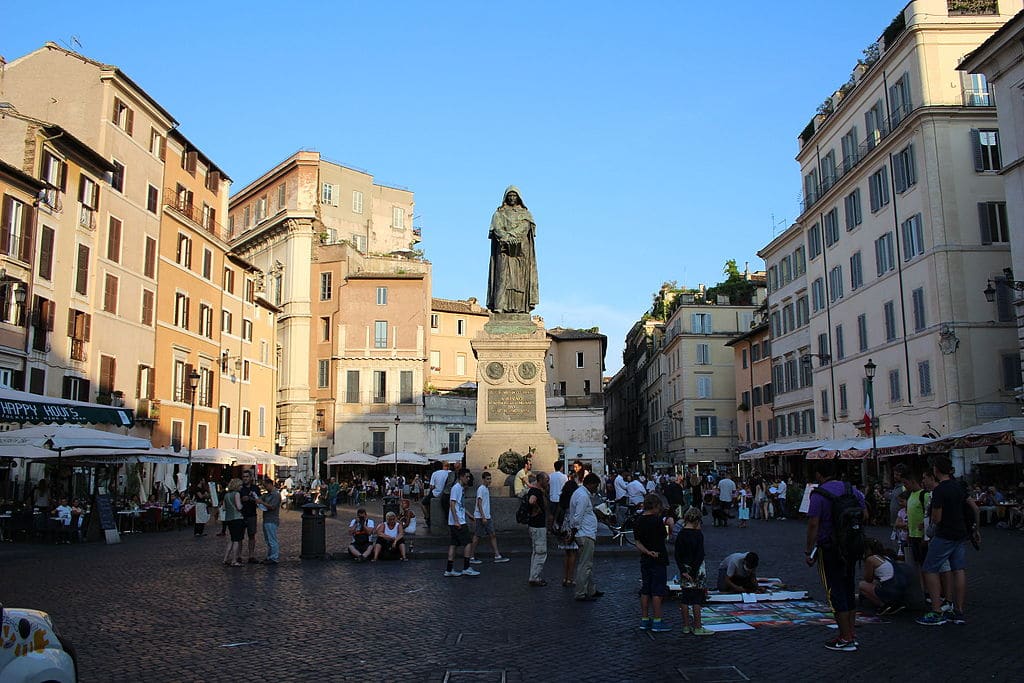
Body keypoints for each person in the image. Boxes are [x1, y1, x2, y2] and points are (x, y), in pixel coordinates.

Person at [805, 460, 867, 652]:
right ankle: (851, 634)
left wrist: (809, 550)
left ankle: (845, 637)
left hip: (830, 548)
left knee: (835, 591)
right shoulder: (851, 490)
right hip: (851, 547)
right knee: (848, 587)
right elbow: (865, 515)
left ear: (818, 475)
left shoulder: (819, 495)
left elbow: (813, 524)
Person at [917, 455, 979, 626]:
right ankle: (958, 609)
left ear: (936, 470)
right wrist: (976, 528)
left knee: (929, 568)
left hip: (944, 534)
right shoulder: (958, 486)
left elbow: (937, 518)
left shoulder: (940, 490)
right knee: (958, 569)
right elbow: (974, 507)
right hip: (960, 533)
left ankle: (936, 610)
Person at [487, 185, 539, 314]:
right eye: (509, 195)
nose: (511, 198)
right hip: (503, 249)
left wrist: (513, 235)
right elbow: (496, 229)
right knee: (501, 276)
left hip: (521, 251)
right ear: (505, 197)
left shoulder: (526, 214)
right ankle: (500, 306)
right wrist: (506, 237)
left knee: (519, 279)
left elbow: (526, 226)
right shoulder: (498, 214)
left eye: (514, 195)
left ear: (518, 198)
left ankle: (520, 307)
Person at [634, 494, 671, 632]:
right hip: (658, 556)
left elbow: (637, 541)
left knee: (645, 589)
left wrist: (647, 552)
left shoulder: (638, 520)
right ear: (656, 506)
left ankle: (644, 619)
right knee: (657, 590)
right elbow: (664, 535)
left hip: (645, 557)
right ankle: (657, 620)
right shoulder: (656, 521)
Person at [675, 506, 713, 636]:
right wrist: (693, 572)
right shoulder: (698, 535)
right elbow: (699, 555)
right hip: (697, 570)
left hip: (684, 568)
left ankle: (686, 626)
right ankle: (697, 626)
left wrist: (683, 570)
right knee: (697, 599)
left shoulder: (681, 534)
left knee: (685, 598)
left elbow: (677, 554)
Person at [570, 473, 603, 600]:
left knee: (587, 563)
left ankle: (591, 589)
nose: (596, 489)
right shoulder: (583, 496)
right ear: (591, 484)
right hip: (585, 533)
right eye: (596, 486)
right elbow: (578, 516)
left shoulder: (579, 493)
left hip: (584, 532)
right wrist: (574, 532)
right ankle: (580, 593)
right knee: (585, 564)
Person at [859, 538, 910, 614]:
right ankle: (895, 602)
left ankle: (884, 605)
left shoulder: (870, 559)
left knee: (862, 585)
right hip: (901, 588)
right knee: (878, 583)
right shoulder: (886, 557)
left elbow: (868, 579)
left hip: (890, 590)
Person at [445, 468, 479, 577]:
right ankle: (466, 567)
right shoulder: (456, 488)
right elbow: (452, 504)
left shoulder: (460, 488)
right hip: (458, 521)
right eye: (467, 477)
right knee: (468, 543)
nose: (468, 479)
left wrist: (469, 515)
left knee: (453, 544)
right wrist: (456, 521)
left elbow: (460, 505)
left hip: (457, 520)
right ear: (461, 476)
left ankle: (449, 569)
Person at [469, 471, 509, 564]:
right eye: (487, 479)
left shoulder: (486, 489)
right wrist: (483, 517)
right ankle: (471, 556)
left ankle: (497, 555)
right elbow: (479, 503)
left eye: (490, 479)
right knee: (477, 536)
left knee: (492, 535)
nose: (489, 481)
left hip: (486, 516)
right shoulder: (481, 489)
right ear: (483, 479)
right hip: (481, 516)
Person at [524, 472, 549, 586]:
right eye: (546, 480)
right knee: (540, 552)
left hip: (535, 525)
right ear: (540, 480)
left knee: (536, 552)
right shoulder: (535, 491)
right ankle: (535, 577)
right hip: (537, 526)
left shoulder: (539, 491)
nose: (548, 482)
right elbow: (531, 501)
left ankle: (533, 576)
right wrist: (537, 508)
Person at [554, 479, 579, 587]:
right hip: (571, 524)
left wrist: (555, 522)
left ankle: (565, 577)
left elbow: (559, 510)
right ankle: (570, 578)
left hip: (564, 524)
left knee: (567, 553)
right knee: (573, 553)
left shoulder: (562, 497)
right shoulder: (575, 498)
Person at [239, 470, 262, 564]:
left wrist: (251, 498)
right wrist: (241, 499)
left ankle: (251, 556)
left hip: (252, 514)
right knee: (239, 536)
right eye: (244, 477)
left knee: (251, 535)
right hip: (241, 515)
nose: (245, 478)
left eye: (247, 476)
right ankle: (238, 555)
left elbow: (259, 500)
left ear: (251, 477)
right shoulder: (240, 488)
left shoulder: (255, 488)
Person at [221, 478, 245, 567]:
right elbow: (239, 507)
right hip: (237, 518)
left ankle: (225, 558)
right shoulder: (236, 494)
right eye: (240, 485)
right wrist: (243, 506)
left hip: (228, 519)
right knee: (236, 540)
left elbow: (223, 507)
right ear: (237, 486)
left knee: (231, 539)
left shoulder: (226, 495)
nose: (241, 487)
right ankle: (234, 560)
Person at [258, 478, 281, 565]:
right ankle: (270, 556)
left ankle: (274, 557)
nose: (265, 487)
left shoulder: (275, 495)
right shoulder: (267, 494)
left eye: (266, 486)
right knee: (268, 539)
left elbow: (272, 507)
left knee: (272, 539)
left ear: (271, 484)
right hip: (266, 518)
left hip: (272, 519)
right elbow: (261, 498)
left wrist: (262, 503)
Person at [424, 461, 451, 530]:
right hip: (447, 494)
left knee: (423, 503)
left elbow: (431, 487)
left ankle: (427, 517)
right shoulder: (450, 472)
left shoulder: (435, 473)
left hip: (436, 494)